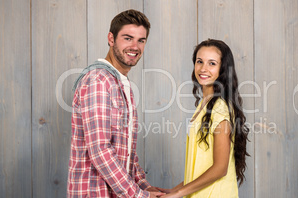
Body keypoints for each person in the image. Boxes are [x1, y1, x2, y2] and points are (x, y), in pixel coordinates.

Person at [67, 9, 164, 198]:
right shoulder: (98, 81)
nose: (135, 46)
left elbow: (126, 151)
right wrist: (137, 195)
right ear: (111, 39)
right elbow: (100, 149)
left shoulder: (119, 82)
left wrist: (144, 186)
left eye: (141, 40)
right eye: (127, 38)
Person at [158, 39, 250, 197]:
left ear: (222, 69)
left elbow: (220, 168)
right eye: (199, 61)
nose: (203, 68)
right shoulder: (204, 105)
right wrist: (172, 190)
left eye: (212, 63)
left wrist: (178, 193)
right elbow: (199, 167)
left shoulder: (219, 109)